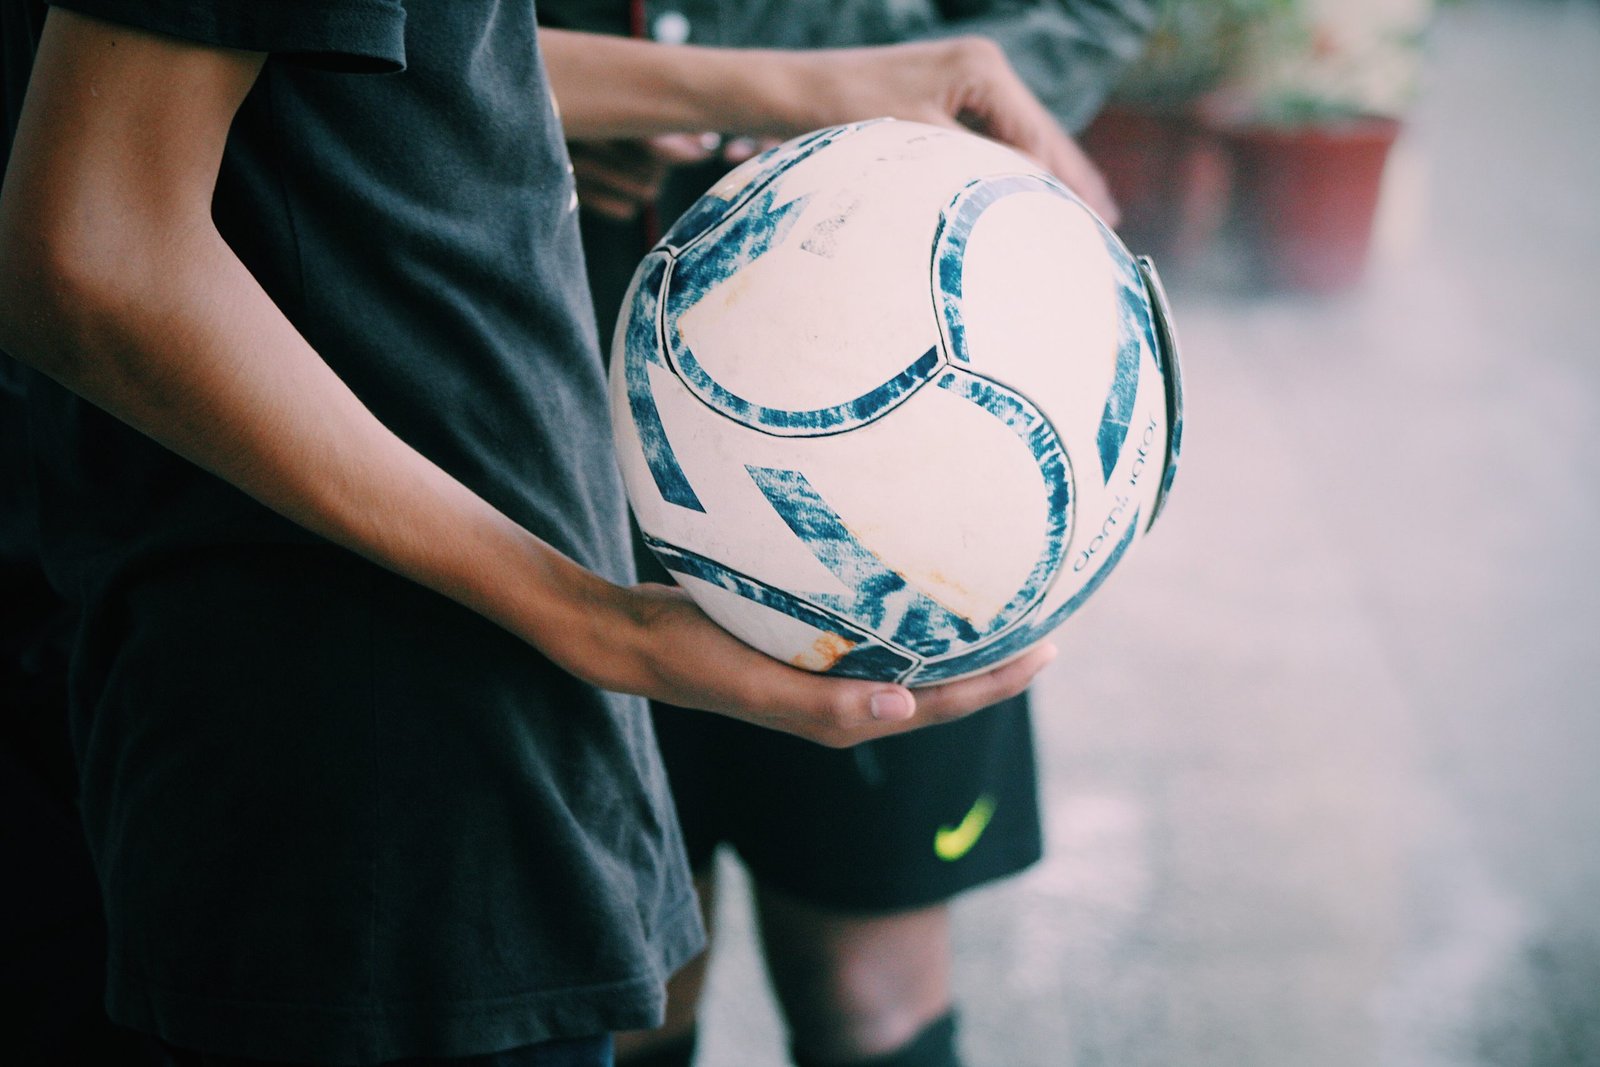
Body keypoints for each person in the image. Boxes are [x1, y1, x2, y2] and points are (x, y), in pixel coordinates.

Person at [0, 3, 1069, 1064]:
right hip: (369, 741)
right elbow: (95, 256)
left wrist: (802, 85)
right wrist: (593, 620)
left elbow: (418, 65)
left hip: (467, 686)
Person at [538, 5, 1156, 1067]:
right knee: (625, 954)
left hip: (896, 391)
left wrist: (912, 132)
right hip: (553, 366)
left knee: (871, 978)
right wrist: (527, 106)